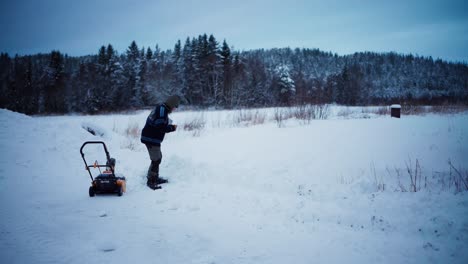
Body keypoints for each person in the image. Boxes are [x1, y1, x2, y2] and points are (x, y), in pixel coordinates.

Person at [141, 95, 180, 190]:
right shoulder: (162, 111)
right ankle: (151, 181)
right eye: (175, 106)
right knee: (156, 159)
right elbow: (160, 127)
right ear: (171, 104)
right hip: (150, 138)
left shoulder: (162, 108)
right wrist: (172, 128)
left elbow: (159, 124)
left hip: (152, 138)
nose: (175, 109)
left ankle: (154, 177)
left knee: (158, 158)